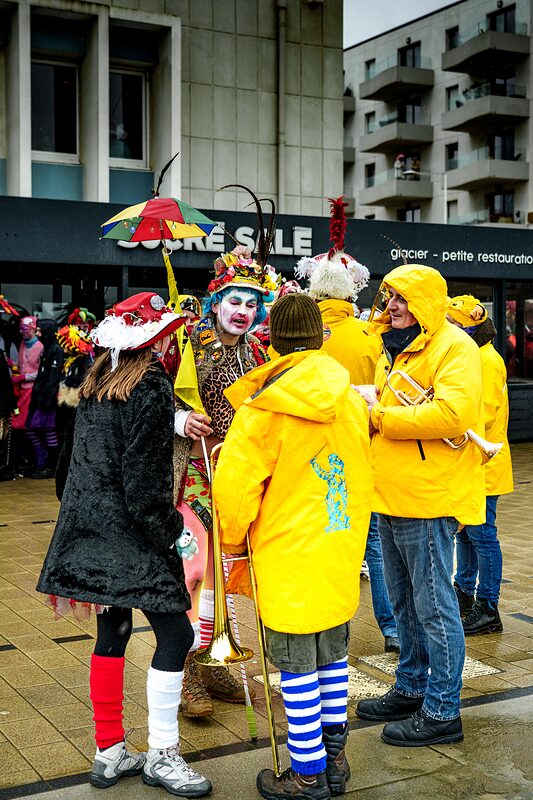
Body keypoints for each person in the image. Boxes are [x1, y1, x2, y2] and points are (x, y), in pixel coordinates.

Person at [36, 292, 212, 797]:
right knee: (176, 637)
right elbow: (144, 486)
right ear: (156, 337)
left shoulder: (96, 379)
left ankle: (109, 751)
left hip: (89, 533)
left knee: (112, 633)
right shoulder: (151, 385)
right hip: (134, 536)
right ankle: (162, 754)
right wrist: (175, 535)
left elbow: (66, 464)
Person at [213, 293, 373, 800]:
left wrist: (233, 544)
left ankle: (307, 776)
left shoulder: (262, 409)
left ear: (273, 342)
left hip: (286, 556)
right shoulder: (349, 398)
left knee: (296, 669)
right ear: (320, 338)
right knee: (332, 659)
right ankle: (336, 762)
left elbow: (235, 495)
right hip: (339, 545)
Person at [354, 265, 485, 747]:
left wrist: (379, 416)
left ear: (427, 301)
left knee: (434, 605)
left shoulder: (455, 347)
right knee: (405, 600)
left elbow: (454, 413)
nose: (394, 306)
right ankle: (411, 686)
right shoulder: (396, 345)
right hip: (390, 492)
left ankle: (443, 710)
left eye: (405, 299)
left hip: (428, 498)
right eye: (390, 297)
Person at [174, 245, 278, 716]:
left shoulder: (259, 350)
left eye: (252, 303)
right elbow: (154, 396)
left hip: (238, 472)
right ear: (215, 302)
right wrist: (181, 416)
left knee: (224, 569)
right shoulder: (187, 344)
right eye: (235, 301)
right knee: (191, 571)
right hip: (193, 474)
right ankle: (184, 673)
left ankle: (214, 658)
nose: (243, 312)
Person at [296, 196, 399, 654]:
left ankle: (324, 625)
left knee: (324, 539)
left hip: (315, 453)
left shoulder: (298, 332)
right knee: (374, 545)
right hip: (365, 448)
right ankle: (392, 629)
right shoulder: (371, 335)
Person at [447, 295, 514, 635]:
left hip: (483, 462)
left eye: (456, 327)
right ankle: (464, 595)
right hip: (476, 462)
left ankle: (488, 607)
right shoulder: (479, 356)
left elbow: (483, 414)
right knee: (468, 536)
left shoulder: (485, 362)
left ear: (471, 330)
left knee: (482, 536)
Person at [26, 319, 64, 478]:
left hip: (46, 399)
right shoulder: (47, 348)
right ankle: (43, 462)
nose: (38, 334)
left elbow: (53, 377)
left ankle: (50, 465)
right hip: (40, 397)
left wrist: (46, 399)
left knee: (47, 430)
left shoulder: (56, 349)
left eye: (41, 330)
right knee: (32, 429)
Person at [56, 323, 95, 441]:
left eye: (66, 345)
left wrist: (69, 382)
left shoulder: (84, 361)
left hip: (76, 401)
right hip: (69, 400)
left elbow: (83, 380)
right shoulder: (74, 360)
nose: (63, 349)